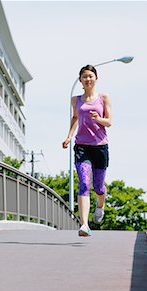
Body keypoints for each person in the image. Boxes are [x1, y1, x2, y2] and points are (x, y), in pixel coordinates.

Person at [62, 65, 111, 237]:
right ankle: (84, 224)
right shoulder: (76, 100)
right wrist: (69, 136)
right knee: (84, 183)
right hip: (82, 146)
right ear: (81, 80)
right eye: (84, 77)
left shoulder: (103, 98)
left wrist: (99, 119)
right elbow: (75, 117)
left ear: (96, 78)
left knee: (98, 187)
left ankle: (100, 206)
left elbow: (109, 122)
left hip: (100, 147)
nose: (88, 79)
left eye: (90, 76)